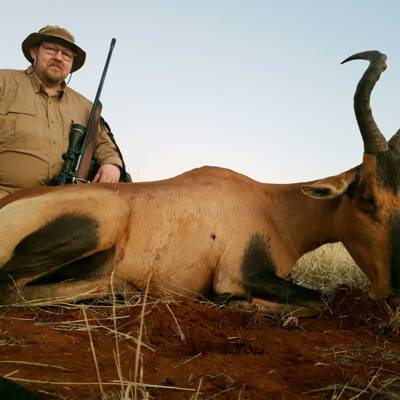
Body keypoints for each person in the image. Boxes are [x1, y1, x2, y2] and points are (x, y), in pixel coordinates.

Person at [0, 25, 125, 198]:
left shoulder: (87, 107)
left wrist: (111, 164)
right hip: (6, 197)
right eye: (51, 50)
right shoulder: (4, 83)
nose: (58, 58)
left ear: (71, 64)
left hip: (63, 201)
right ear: (34, 52)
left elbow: (104, 144)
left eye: (66, 55)